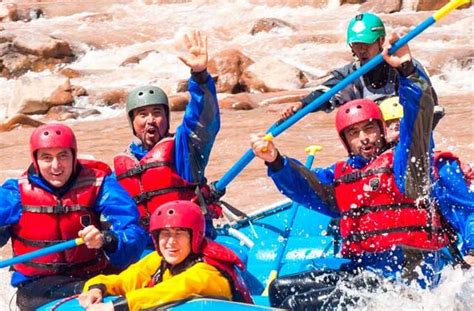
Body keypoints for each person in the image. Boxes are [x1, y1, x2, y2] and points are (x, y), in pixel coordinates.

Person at [251, 32, 466, 309]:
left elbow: (417, 124)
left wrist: (408, 73)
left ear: (381, 131)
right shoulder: (343, 174)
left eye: (369, 129)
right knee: (281, 289)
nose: (363, 138)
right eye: (354, 133)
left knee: (303, 304)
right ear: (345, 141)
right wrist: (276, 161)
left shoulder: (403, 163)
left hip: (405, 276)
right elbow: (308, 189)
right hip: (365, 270)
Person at [0, 123, 146, 310]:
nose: (56, 166)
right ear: (35, 160)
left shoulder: (100, 185)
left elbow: (133, 233)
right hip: (39, 286)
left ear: (74, 156)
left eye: (63, 156)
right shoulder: (14, 193)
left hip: (94, 277)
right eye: (46, 157)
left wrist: (107, 239)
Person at [113, 30, 221, 236]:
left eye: (157, 113)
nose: (150, 120)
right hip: (146, 244)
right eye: (142, 115)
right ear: (132, 122)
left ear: (167, 118)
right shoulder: (123, 165)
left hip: (190, 241)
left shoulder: (186, 148)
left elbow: (203, 119)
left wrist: (200, 76)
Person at [78, 200, 253, 311]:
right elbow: (125, 280)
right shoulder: (158, 260)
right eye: (165, 234)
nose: (170, 242)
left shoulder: (207, 273)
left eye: (179, 234)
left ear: (195, 237)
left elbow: (174, 290)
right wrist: (97, 287)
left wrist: (115, 307)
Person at [280, 13, 443, 127]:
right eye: (356, 44)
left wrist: (405, 69)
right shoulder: (349, 75)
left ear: (380, 41)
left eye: (367, 43)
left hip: (409, 135)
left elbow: (428, 102)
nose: (361, 50)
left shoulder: (405, 66)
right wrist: (301, 104)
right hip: (373, 143)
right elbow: (325, 93)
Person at [379, 96, 474, 266]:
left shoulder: (441, 167)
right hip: (390, 254)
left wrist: (472, 252)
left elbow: (467, 212)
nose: (399, 134)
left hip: (435, 253)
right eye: (390, 128)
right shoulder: (373, 171)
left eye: (402, 127)